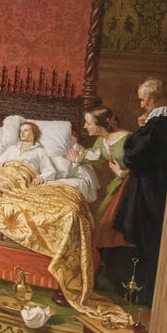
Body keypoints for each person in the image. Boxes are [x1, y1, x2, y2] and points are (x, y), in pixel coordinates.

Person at [113, 79, 167, 303]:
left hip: (150, 190)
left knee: (148, 240)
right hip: (161, 186)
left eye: (142, 100)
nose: (141, 105)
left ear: (151, 98)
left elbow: (133, 156)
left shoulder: (157, 123)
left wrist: (139, 129)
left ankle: (147, 294)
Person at [73, 106, 131, 249]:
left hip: (134, 184)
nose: (85, 126)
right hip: (119, 184)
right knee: (102, 216)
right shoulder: (102, 140)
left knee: (117, 220)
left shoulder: (128, 139)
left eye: (89, 123)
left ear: (100, 125)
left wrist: (121, 173)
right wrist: (77, 159)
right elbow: (95, 155)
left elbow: (141, 164)